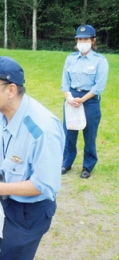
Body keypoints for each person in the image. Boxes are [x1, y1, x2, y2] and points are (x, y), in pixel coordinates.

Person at [0, 56, 65, 259]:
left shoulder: (43, 129)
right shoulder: (4, 110)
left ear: (11, 90)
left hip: (29, 213)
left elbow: (44, 185)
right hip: (6, 198)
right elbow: (1, 138)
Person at [60, 25, 109, 179]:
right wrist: (68, 97)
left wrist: (83, 99)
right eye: (80, 39)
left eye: (85, 39)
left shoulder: (100, 61)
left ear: (92, 40)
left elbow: (99, 86)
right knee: (69, 134)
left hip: (90, 101)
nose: (82, 42)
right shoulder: (70, 59)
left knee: (89, 135)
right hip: (72, 98)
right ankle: (66, 163)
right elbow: (65, 81)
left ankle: (88, 166)